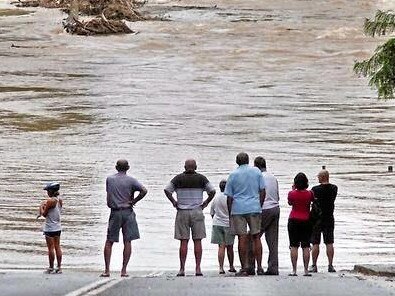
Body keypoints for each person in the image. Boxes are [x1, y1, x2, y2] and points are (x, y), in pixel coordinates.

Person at [164, 159, 216, 277]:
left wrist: (174, 201)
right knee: (197, 241)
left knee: (183, 241)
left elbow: (167, 190)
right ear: (196, 167)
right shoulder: (202, 178)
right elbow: (212, 191)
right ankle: (198, 269)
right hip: (197, 211)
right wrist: (206, 203)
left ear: (184, 167)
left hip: (182, 212)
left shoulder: (178, 179)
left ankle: (182, 269)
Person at [101, 159, 147, 277]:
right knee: (128, 241)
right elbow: (144, 190)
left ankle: (107, 270)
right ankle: (124, 270)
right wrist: (134, 201)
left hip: (115, 212)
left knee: (109, 241)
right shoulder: (131, 180)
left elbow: (108, 195)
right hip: (128, 211)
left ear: (116, 167)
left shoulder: (110, 179)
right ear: (128, 168)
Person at [225, 152, 265, 276]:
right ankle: (259, 267)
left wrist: (230, 211)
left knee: (241, 238)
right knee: (256, 237)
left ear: (237, 161)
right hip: (254, 207)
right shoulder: (257, 172)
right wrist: (259, 205)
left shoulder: (233, 175)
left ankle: (244, 267)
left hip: (238, 209)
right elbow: (263, 191)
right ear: (248, 161)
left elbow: (229, 197)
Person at [254, 156, 280, 275]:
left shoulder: (257, 177)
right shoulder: (273, 177)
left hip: (264, 209)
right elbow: (278, 196)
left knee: (254, 237)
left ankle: (250, 265)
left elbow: (256, 195)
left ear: (256, 167)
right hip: (275, 208)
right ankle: (273, 268)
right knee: (273, 241)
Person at [309, 169, 338, 273]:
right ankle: (330, 265)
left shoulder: (315, 189)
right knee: (329, 242)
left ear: (322, 177)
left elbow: (312, 200)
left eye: (319, 176)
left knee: (315, 242)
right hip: (329, 217)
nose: (318, 178)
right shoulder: (334, 188)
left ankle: (314, 265)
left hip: (317, 219)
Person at [287, 172, 314, 276]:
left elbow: (290, 203)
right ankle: (306, 270)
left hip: (293, 219)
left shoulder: (291, 193)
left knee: (294, 245)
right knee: (306, 246)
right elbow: (312, 201)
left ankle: (294, 270)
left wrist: (293, 190)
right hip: (306, 220)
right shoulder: (310, 193)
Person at [210, 180, 236, 274]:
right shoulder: (230, 197)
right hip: (228, 224)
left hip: (217, 223)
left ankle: (221, 268)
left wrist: (216, 219)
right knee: (230, 247)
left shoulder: (216, 198)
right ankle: (231, 266)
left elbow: (212, 212)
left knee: (221, 246)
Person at [39, 182, 63, 274]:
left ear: (51, 191)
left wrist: (41, 206)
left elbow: (44, 214)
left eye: (48, 191)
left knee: (50, 248)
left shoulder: (50, 201)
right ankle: (59, 267)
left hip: (49, 227)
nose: (47, 193)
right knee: (58, 247)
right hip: (57, 226)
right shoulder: (59, 200)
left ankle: (51, 267)